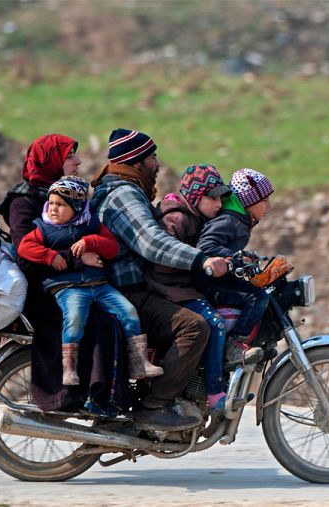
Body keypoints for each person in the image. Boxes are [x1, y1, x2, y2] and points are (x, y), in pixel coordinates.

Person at [91, 128, 229, 430]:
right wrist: (201, 260)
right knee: (195, 326)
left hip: (131, 289)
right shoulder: (124, 195)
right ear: (136, 161)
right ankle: (155, 405)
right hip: (126, 292)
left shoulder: (128, 190)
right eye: (152, 157)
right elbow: (152, 243)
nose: (157, 163)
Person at [0, 134, 123, 416]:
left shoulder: (63, 194)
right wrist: (78, 258)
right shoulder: (24, 202)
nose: (77, 161)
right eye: (69, 157)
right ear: (51, 161)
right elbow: (26, 256)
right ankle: (74, 398)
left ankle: (103, 396)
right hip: (43, 291)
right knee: (94, 320)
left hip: (69, 281)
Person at [17, 176, 162, 386]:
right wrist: (51, 256)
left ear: (76, 207)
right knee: (75, 320)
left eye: (61, 204)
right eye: (51, 203)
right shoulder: (43, 228)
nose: (53, 209)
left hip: (100, 285)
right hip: (69, 288)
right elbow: (24, 247)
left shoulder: (91, 224)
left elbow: (112, 248)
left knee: (129, 312)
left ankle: (139, 363)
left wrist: (91, 241)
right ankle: (69, 369)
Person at [144, 164, 233, 410]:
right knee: (214, 322)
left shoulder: (197, 218)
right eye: (212, 197)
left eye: (221, 198)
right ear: (195, 196)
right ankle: (214, 392)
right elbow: (164, 258)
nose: (219, 204)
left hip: (180, 287)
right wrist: (201, 264)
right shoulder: (176, 218)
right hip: (167, 290)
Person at [196, 168, 286, 368]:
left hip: (219, 279)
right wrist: (235, 257)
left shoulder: (240, 219)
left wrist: (246, 257)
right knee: (257, 297)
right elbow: (204, 247)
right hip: (208, 282)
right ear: (248, 201)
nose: (269, 206)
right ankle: (234, 345)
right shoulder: (230, 220)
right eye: (264, 200)